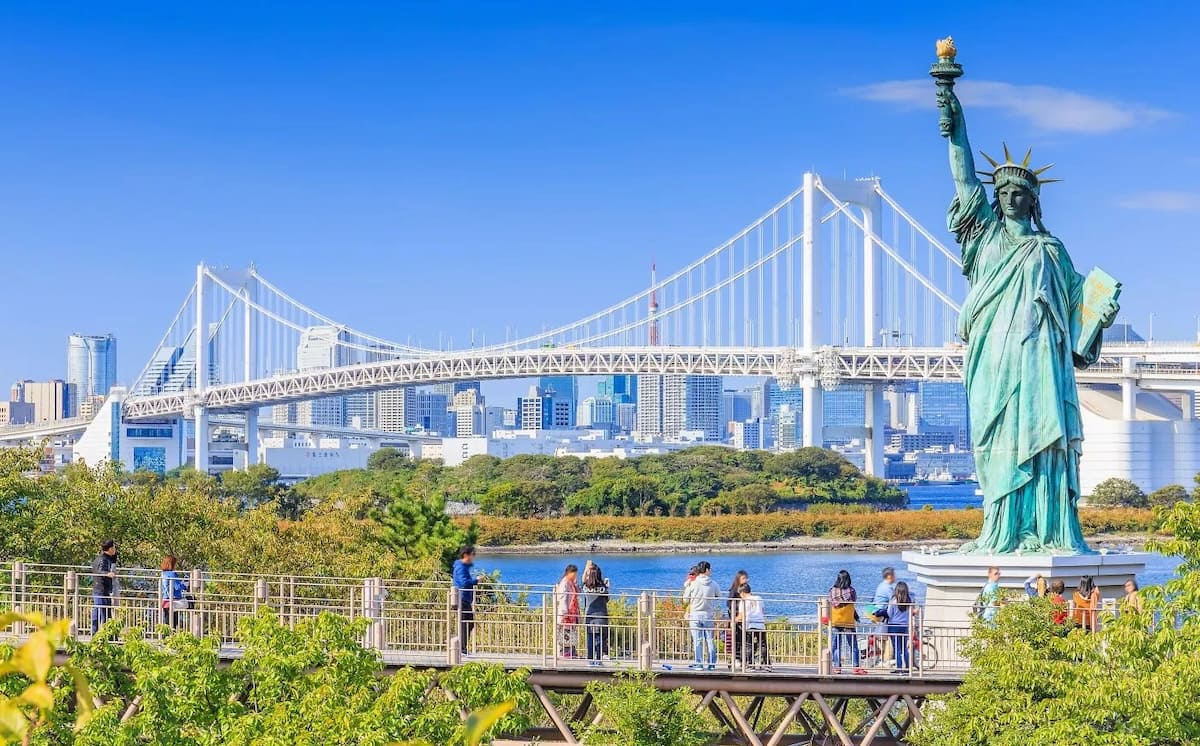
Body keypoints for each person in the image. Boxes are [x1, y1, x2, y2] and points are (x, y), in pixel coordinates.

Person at [937, 75, 1118, 555]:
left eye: (1019, 193)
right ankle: (1000, 530)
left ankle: (1048, 527)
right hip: (995, 355)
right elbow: (961, 172)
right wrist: (954, 118)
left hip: (1040, 358)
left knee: (1044, 439)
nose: (1009, 198)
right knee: (998, 439)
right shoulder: (984, 237)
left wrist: (1101, 313)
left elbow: (1080, 314)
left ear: (1033, 201)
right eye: (1002, 192)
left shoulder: (1051, 250)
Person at [682, 560, 720, 670]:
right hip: (708, 614)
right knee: (710, 640)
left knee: (697, 641)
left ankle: (699, 663)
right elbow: (719, 595)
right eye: (710, 569)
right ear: (707, 570)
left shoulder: (693, 583)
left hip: (695, 615)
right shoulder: (713, 583)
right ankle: (711, 664)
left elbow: (685, 600)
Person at [829, 570, 863, 673]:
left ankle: (837, 667)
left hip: (836, 620)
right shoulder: (851, 591)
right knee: (853, 645)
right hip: (848, 621)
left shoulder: (832, 590)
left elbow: (831, 603)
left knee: (836, 645)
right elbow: (853, 602)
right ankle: (855, 667)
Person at [452, 546, 482, 655]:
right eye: (472, 555)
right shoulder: (461, 567)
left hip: (464, 598)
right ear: (466, 555)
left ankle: (461, 647)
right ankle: (461, 648)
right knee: (466, 623)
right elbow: (464, 582)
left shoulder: (461, 566)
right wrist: (476, 580)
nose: (473, 558)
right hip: (462, 598)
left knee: (468, 623)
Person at [736, 583, 771, 671]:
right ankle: (766, 664)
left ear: (742, 593)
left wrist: (734, 621)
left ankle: (750, 665)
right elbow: (763, 611)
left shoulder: (743, 601)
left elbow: (741, 615)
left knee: (749, 645)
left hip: (750, 625)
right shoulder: (759, 598)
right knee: (762, 645)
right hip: (760, 624)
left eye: (740, 594)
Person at [581, 563, 610, 666]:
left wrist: (586, 568)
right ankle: (598, 660)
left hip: (589, 616)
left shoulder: (585, 586)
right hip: (601, 616)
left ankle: (590, 660)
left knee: (590, 639)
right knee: (599, 639)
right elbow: (606, 599)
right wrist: (607, 587)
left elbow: (583, 579)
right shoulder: (602, 587)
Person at [868, 567, 897, 666]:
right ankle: (886, 661)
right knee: (889, 639)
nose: (895, 577)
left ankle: (882, 659)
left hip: (876, 613)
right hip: (881, 615)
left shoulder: (881, 585)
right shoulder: (887, 588)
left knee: (883, 638)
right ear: (889, 576)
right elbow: (894, 599)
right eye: (894, 575)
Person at [886, 582, 916, 674]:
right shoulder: (909, 600)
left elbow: (889, 614)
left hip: (893, 626)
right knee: (904, 648)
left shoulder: (894, 601)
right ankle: (907, 667)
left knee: (897, 649)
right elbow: (912, 613)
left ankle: (899, 668)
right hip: (904, 626)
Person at [90, 540, 118, 635]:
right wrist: (107, 573)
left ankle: (108, 634)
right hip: (101, 590)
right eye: (113, 548)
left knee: (103, 611)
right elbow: (99, 571)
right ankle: (99, 633)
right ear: (110, 549)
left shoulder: (105, 558)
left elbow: (114, 559)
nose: (115, 550)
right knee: (101, 612)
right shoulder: (103, 560)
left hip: (102, 590)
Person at [555, 564, 581, 658]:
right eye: (574, 573)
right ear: (569, 573)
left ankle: (571, 652)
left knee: (571, 633)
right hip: (566, 614)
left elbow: (578, 592)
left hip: (572, 614)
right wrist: (564, 613)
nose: (575, 576)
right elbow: (563, 598)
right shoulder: (565, 583)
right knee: (565, 633)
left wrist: (576, 584)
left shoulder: (572, 583)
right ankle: (565, 653)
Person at [159, 555, 191, 628]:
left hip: (165, 601)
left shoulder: (163, 573)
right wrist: (185, 586)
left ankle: (166, 637)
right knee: (173, 623)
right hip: (173, 601)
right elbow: (177, 586)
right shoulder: (172, 574)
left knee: (168, 623)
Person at [727, 570, 749, 668]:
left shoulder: (745, 589)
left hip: (743, 618)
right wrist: (733, 618)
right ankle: (735, 659)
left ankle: (741, 659)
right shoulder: (734, 590)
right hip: (736, 618)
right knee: (737, 640)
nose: (746, 580)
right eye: (743, 578)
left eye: (746, 578)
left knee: (743, 639)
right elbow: (729, 604)